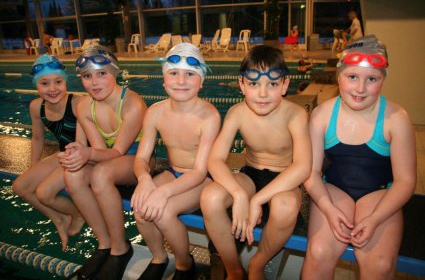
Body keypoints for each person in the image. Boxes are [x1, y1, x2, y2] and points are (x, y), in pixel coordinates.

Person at [301, 35, 416, 280]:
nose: (360, 88)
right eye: (352, 77)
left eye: (371, 79)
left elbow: (405, 181)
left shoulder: (397, 118)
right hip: (333, 192)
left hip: (379, 195)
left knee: (381, 263)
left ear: (383, 79)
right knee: (319, 252)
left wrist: (375, 218)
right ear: (338, 76)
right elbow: (310, 173)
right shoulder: (322, 115)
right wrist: (328, 209)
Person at [200, 44, 312, 280]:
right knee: (210, 197)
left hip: (284, 180)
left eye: (272, 84)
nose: (263, 93)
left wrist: (258, 199)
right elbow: (215, 160)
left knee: (285, 206)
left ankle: (257, 264)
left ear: (284, 85)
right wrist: (240, 195)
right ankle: (233, 268)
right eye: (254, 84)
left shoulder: (295, 115)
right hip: (251, 174)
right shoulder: (237, 113)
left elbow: (302, 167)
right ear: (242, 85)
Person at [131, 43, 220, 280]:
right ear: (163, 80)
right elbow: (141, 157)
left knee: (163, 211)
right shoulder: (155, 112)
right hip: (173, 172)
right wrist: (144, 179)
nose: (181, 80)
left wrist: (164, 193)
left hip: (203, 178)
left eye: (190, 74)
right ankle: (159, 257)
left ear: (201, 81)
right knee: (140, 209)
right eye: (174, 73)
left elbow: (200, 171)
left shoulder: (209, 116)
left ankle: (184, 264)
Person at [60, 45, 148, 280]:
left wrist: (87, 154)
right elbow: (99, 150)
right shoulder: (84, 106)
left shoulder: (132, 103)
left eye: (102, 74)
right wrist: (79, 153)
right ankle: (104, 243)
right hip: (108, 159)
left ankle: (120, 249)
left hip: (136, 160)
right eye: (87, 76)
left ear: (115, 73)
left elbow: (119, 151)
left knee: (100, 175)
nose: (94, 82)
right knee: (72, 175)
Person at [12, 55, 85, 252]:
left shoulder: (78, 104)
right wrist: (34, 166)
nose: (52, 89)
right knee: (20, 186)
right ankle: (59, 218)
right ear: (36, 85)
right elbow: (37, 139)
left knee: (44, 193)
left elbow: (84, 143)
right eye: (45, 83)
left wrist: (74, 160)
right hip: (62, 154)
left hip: (82, 157)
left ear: (65, 81)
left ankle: (78, 213)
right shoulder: (36, 106)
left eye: (58, 82)